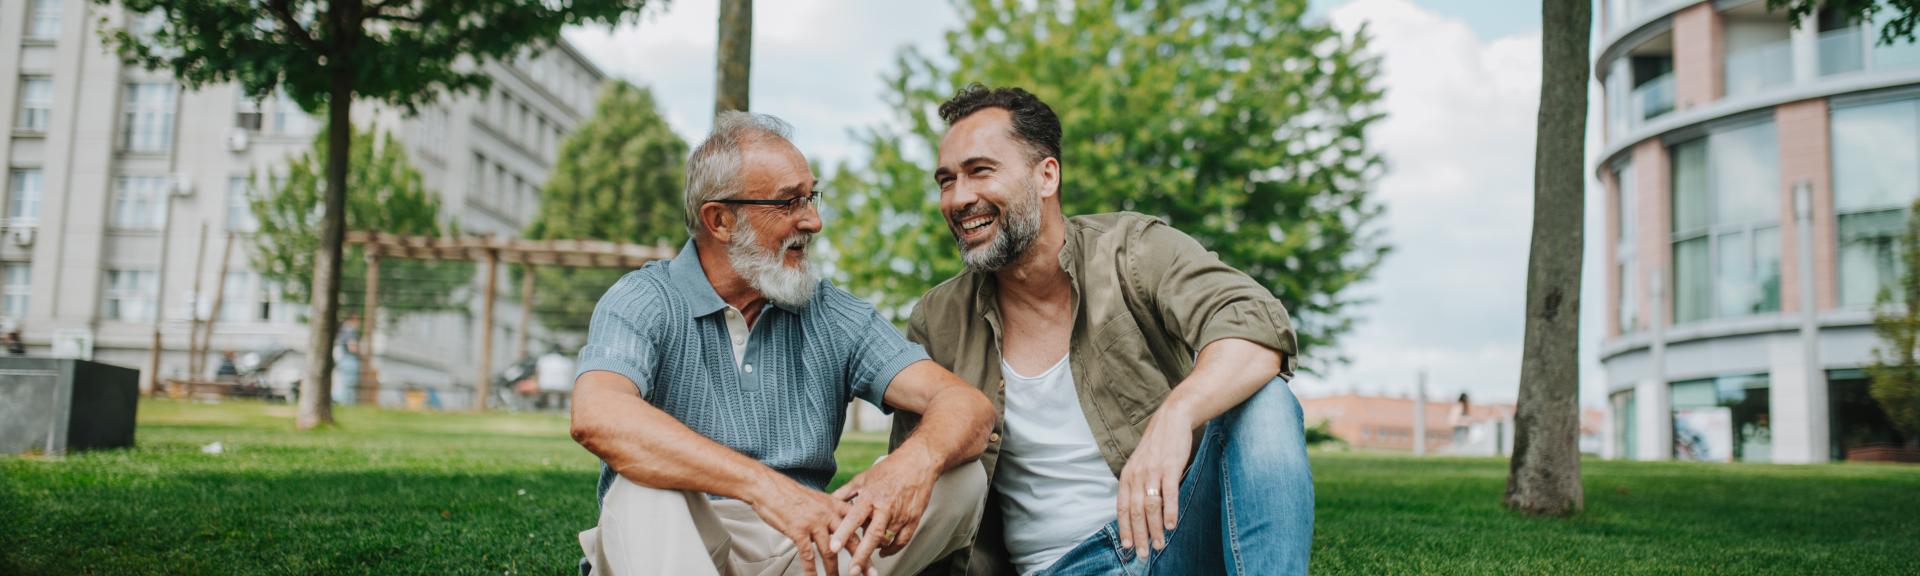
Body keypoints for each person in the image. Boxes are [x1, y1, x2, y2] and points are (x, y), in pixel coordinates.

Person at [889, 85, 1315, 575]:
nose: (960, 198)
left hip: (1171, 541)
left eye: (980, 171)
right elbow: (919, 481)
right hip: (1062, 568)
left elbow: (1257, 325)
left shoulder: (1131, 252)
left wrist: (1176, 413)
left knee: (1266, 401)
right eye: (946, 181)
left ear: (1046, 175)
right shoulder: (937, 320)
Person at [569, 111, 997, 576]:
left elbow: (967, 407)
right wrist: (767, 489)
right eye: (789, 203)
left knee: (959, 474)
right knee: (642, 487)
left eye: (810, 197)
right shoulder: (644, 299)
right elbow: (598, 416)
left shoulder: (831, 311)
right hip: (679, 540)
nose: (812, 221)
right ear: (720, 220)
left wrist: (913, 463)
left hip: (806, 548)